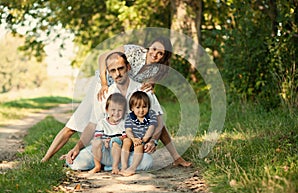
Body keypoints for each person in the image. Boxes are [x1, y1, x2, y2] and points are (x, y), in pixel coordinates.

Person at [41, 37, 191, 167]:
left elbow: (148, 87)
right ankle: (46, 159)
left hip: (126, 88)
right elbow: (102, 57)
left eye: (160, 53)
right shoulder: (134, 51)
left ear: (164, 57)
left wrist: (150, 88)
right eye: (154, 49)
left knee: (153, 114)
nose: (155, 54)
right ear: (149, 46)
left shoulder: (157, 68)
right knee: (79, 122)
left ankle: (176, 157)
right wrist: (105, 83)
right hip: (104, 85)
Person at [66, 52, 163, 171]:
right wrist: (77, 148)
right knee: (76, 163)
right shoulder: (105, 94)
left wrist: (153, 141)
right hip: (106, 147)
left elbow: (159, 121)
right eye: (113, 70)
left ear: (128, 67)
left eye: (121, 68)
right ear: (108, 72)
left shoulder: (144, 90)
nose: (117, 74)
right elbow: (93, 124)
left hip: (130, 148)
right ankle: (109, 164)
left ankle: (111, 165)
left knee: (146, 162)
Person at [120, 91, 158, 176]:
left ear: (148, 107)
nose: (141, 110)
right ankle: (124, 166)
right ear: (132, 108)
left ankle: (132, 167)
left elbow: (151, 128)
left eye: (144, 107)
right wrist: (133, 139)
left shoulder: (151, 115)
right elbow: (128, 130)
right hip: (132, 138)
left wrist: (144, 139)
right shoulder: (130, 117)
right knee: (126, 141)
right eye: (137, 107)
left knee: (139, 145)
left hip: (142, 140)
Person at [89, 93, 127, 174]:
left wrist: (114, 139)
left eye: (120, 110)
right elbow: (97, 137)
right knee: (96, 142)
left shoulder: (123, 123)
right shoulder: (102, 123)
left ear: (124, 111)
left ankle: (115, 166)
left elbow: (125, 137)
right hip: (104, 150)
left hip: (117, 150)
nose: (116, 113)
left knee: (115, 142)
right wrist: (104, 141)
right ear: (107, 110)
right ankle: (97, 166)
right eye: (113, 110)